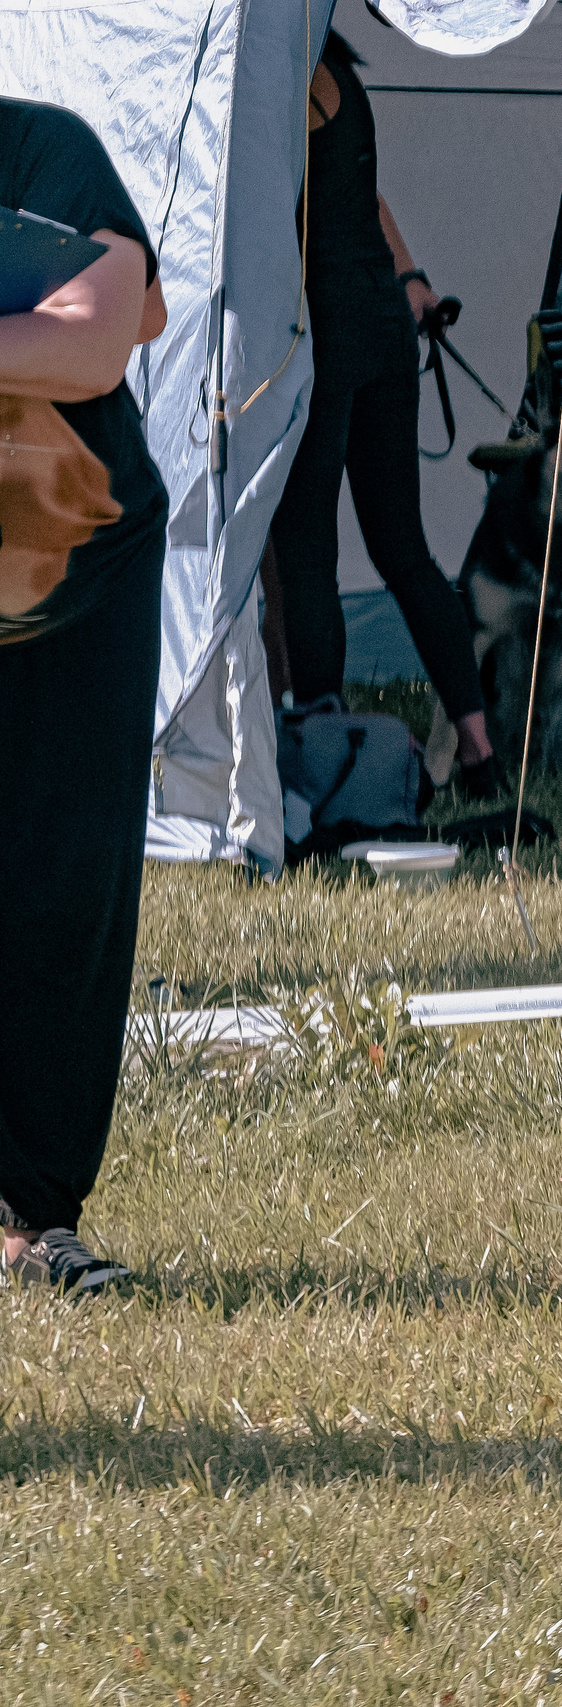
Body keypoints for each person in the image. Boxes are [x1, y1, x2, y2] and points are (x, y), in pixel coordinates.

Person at [0, 97, 171, 1292]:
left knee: (61, 877)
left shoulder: (46, 150)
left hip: (74, 571)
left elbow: (97, 340)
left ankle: (33, 1214)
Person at [269, 30, 499, 797]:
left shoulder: (284, 76)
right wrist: (413, 282)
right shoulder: (334, 63)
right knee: (405, 551)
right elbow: (366, 199)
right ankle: (480, 751)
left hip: (326, 334)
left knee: (304, 553)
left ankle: (320, 751)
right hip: (383, 327)